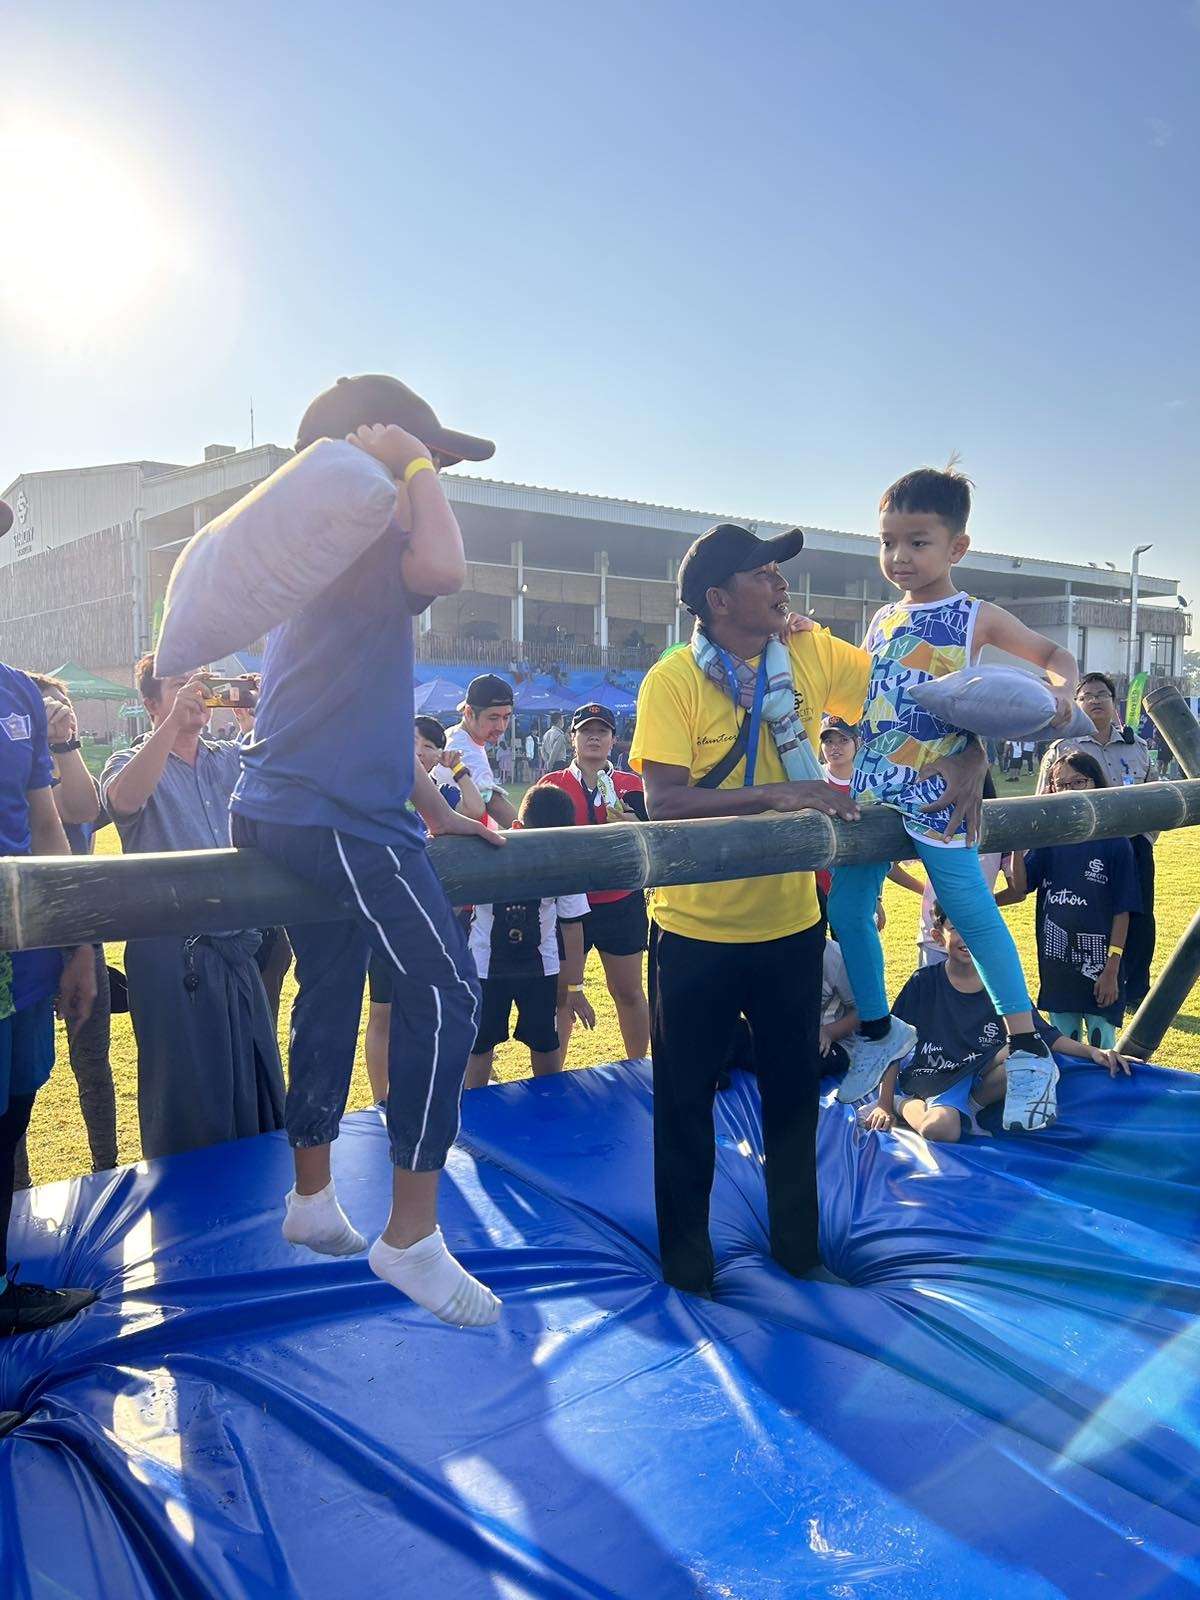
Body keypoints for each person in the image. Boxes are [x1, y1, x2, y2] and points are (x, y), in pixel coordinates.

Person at [631, 521, 986, 1295]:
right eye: (765, 574)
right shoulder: (673, 679)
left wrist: (972, 751)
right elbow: (662, 800)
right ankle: (687, 1267)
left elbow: (920, 699)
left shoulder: (809, 652)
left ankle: (800, 1253)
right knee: (685, 1104)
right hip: (694, 932)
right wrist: (782, 794)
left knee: (796, 1098)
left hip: (791, 929)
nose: (782, 585)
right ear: (720, 599)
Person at [231, 373, 505, 1328]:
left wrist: (438, 808)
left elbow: (369, 714)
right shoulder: (353, 534)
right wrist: (413, 463)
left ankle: (312, 1197)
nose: (436, 487)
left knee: (334, 986)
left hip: (297, 804)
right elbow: (445, 569)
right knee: (443, 989)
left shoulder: (320, 553)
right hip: (333, 814)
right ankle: (413, 1238)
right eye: (421, 464)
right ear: (366, 457)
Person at [827, 465, 1078, 1134]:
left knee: (971, 912)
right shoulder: (880, 618)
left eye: (918, 542)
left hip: (938, 796)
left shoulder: (976, 615)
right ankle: (880, 1030)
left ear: (957, 548)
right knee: (847, 909)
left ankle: (1027, 1048)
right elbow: (866, 695)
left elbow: (1054, 655)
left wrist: (1057, 697)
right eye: (888, 542)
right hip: (875, 791)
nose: (899, 557)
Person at [101, 658, 286, 1161]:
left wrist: (263, 707)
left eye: (201, 683)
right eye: (180, 685)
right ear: (150, 703)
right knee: (183, 1092)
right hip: (171, 957)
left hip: (238, 951)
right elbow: (122, 800)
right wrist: (167, 728)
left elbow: (290, 766)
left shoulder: (230, 758)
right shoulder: (127, 760)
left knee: (253, 1083)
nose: (196, 693)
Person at [0, 656, 98, 1342]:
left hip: (26, 961)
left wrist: (80, 943)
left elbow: (48, 826)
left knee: (10, 1119)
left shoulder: (17, 692)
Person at [863, 904, 1134, 1143]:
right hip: (936, 1076)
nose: (966, 936)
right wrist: (886, 1104)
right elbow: (893, 1041)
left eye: (974, 928)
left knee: (1031, 1056)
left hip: (979, 1072)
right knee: (942, 1130)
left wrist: (1094, 1052)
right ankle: (905, 1105)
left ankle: (971, 1106)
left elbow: (1045, 1035)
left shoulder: (1002, 985)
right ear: (937, 936)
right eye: (956, 928)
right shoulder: (924, 983)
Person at [13, 674, 116, 1188]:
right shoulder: (19, 749)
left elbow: (77, 813)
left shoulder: (57, 749)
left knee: (90, 1062)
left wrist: (66, 743)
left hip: (73, 925)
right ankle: (19, 1190)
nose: (56, 712)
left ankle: (106, 1167)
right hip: (25, 931)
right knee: (18, 1081)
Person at [364, 715, 486, 1103]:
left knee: (427, 1009)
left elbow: (475, 808)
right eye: (415, 742)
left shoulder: (434, 792)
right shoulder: (381, 784)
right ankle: (381, 1100)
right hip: (384, 911)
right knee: (382, 1011)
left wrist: (458, 767)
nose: (422, 751)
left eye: (431, 746)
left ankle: (422, 1094)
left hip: (428, 915)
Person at [996, 751, 1140, 1050]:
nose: (1068, 790)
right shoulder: (1050, 840)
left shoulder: (1115, 841)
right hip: (1057, 966)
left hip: (1102, 967)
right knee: (1064, 1043)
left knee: (1102, 1043)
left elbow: (1123, 910)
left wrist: (1112, 967)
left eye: (1078, 782)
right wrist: (1019, 849)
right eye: (1060, 784)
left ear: (1096, 784)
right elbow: (1021, 887)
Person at [464, 784, 595, 1089]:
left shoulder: (564, 863)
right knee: (479, 1043)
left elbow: (573, 924)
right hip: (485, 966)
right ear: (517, 827)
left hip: (540, 968)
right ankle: (475, 1114)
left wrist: (575, 985)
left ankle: (549, 1103)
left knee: (544, 1041)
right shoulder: (484, 852)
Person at [1041, 672, 1156, 1013]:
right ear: (1076, 704)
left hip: (1132, 847)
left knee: (1139, 916)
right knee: (1085, 916)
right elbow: (1042, 801)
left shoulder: (1137, 746)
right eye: (1086, 695)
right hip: (1079, 850)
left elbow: (1153, 798)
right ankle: (1083, 984)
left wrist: (1145, 840)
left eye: (1101, 694)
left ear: (1114, 701)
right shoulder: (1063, 748)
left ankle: (1135, 989)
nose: (1094, 700)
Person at [541, 703, 650, 1061]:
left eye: (601, 731)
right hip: (567, 906)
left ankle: (637, 1069)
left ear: (613, 740)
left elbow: (656, 841)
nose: (593, 736)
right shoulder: (551, 785)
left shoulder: (632, 785)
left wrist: (636, 824)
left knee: (628, 991)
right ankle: (552, 1081)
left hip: (620, 901)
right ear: (572, 738)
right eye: (585, 730)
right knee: (559, 996)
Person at [817, 715, 923, 919]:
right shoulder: (813, 779)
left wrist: (876, 897)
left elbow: (878, 851)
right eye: (828, 741)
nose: (834, 747)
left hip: (857, 890)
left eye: (843, 740)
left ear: (857, 742)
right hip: (815, 889)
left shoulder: (871, 785)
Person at [445, 675, 516, 827]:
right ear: (469, 713)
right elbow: (493, 802)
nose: (501, 727)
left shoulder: (457, 736)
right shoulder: (463, 750)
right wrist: (535, 836)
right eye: (493, 718)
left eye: (506, 717)